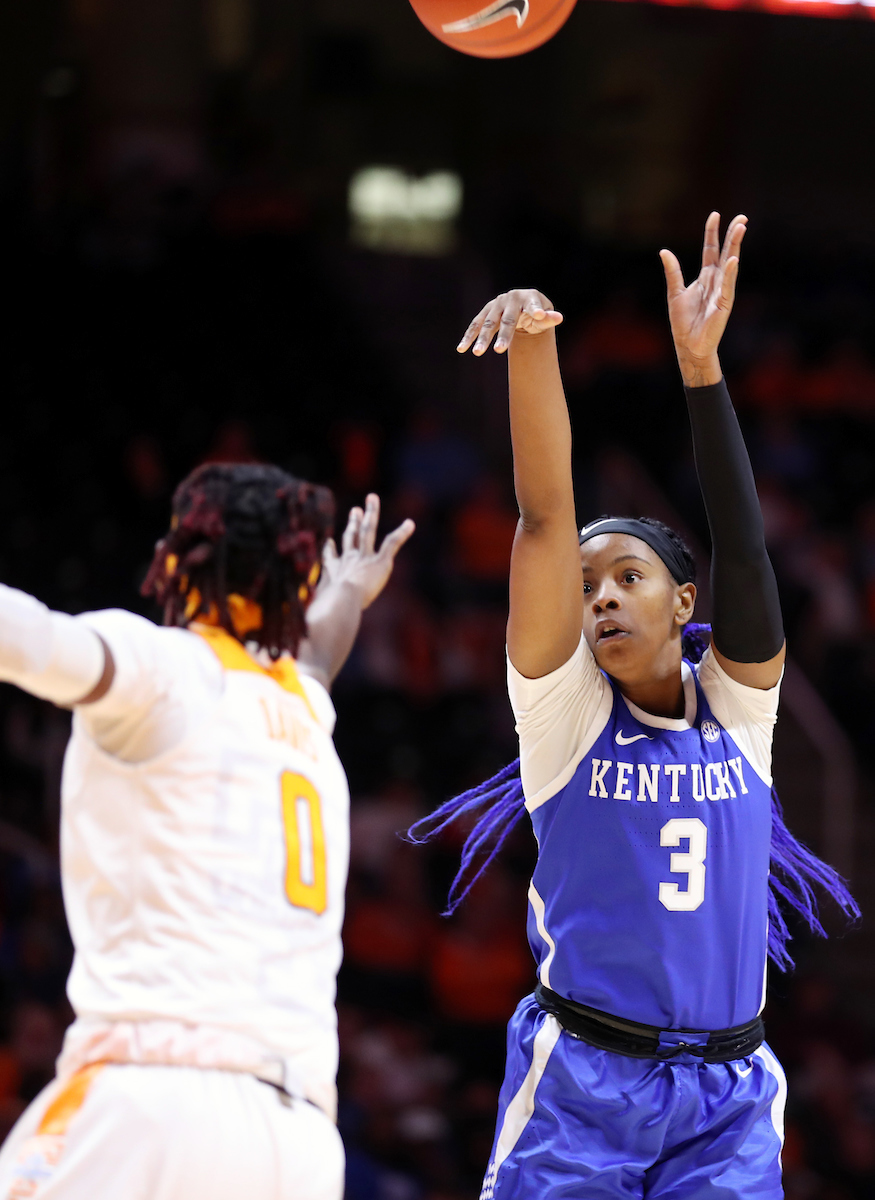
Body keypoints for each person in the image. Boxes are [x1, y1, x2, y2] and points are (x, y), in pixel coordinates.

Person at [409, 214, 858, 1200]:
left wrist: (699, 367)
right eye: (586, 585)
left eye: (625, 575)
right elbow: (540, 516)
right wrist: (533, 345)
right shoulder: (563, 715)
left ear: (681, 602)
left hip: (729, 1094)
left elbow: (742, 554)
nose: (600, 594)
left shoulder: (738, 709)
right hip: (582, 1083)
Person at [0, 465, 413, 1200]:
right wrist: (346, 585)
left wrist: (342, 590)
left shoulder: (160, 670)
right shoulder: (305, 709)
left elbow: (29, 637)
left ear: (181, 557)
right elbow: (319, 647)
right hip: (298, 1140)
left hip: (153, 1098)